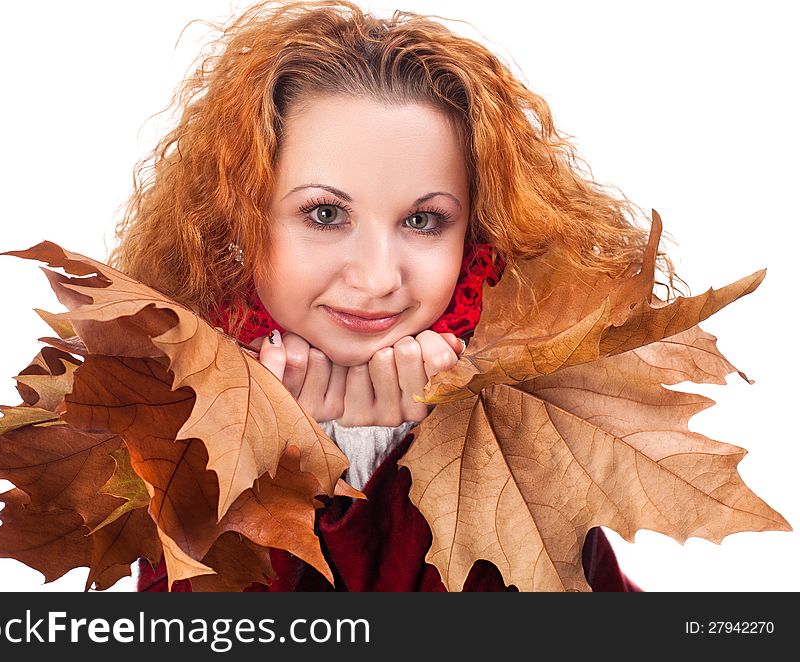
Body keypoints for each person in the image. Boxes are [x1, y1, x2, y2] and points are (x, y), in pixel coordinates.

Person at [110, 0, 681, 591]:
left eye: (424, 221)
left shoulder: (534, 412)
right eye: (325, 214)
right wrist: (282, 478)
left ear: (476, 231)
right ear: (241, 217)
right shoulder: (169, 412)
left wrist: (428, 475)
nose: (379, 278)